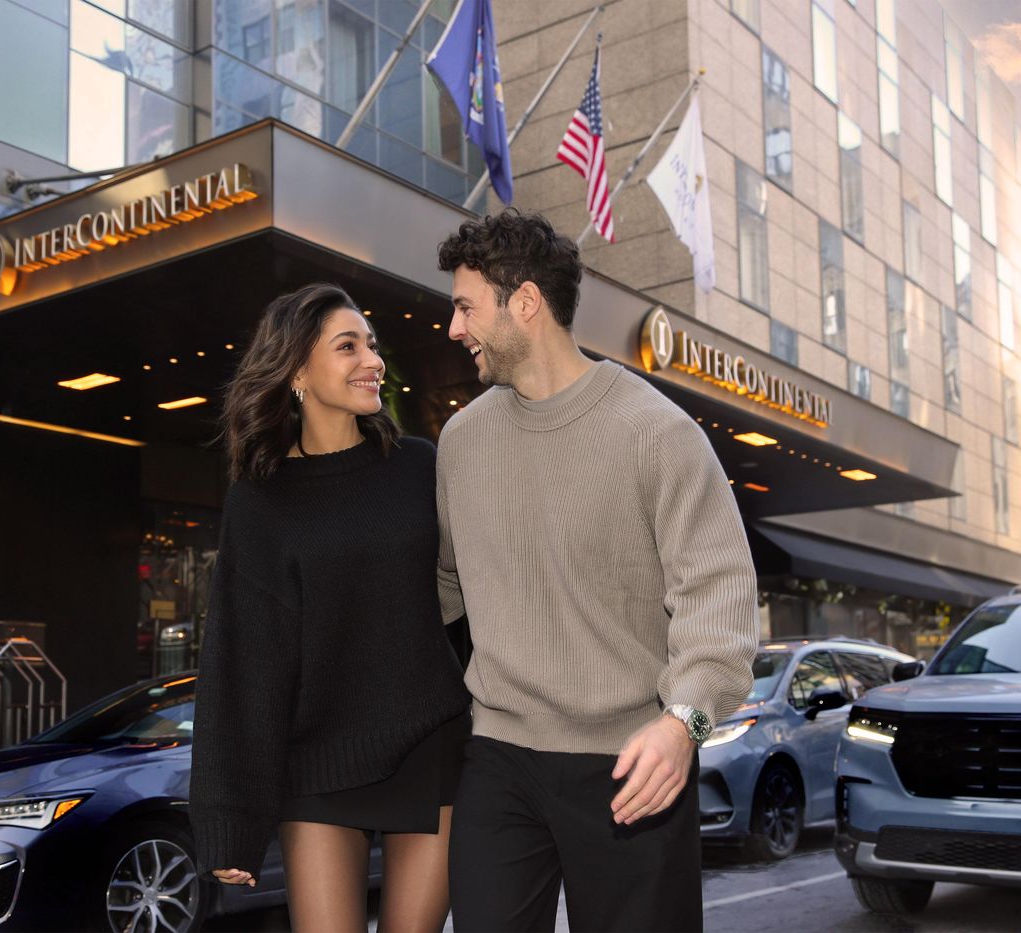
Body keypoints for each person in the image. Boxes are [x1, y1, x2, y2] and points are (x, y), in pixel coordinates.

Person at [434, 210, 758, 932]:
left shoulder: (660, 434)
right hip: (498, 759)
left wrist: (685, 726)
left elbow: (721, 607)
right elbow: (444, 587)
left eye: (464, 306)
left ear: (525, 304)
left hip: (632, 762)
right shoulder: (461, 442)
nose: (454, 328)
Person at [190, 283, 471, 932]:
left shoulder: (418, 468)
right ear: (295, 371)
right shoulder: (260, 499)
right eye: (348, 346)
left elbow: (478, 591)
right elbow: (243, 659)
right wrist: (230, 818)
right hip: (316, 762)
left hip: (430, 745)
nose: (371, 359)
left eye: (371, 345)